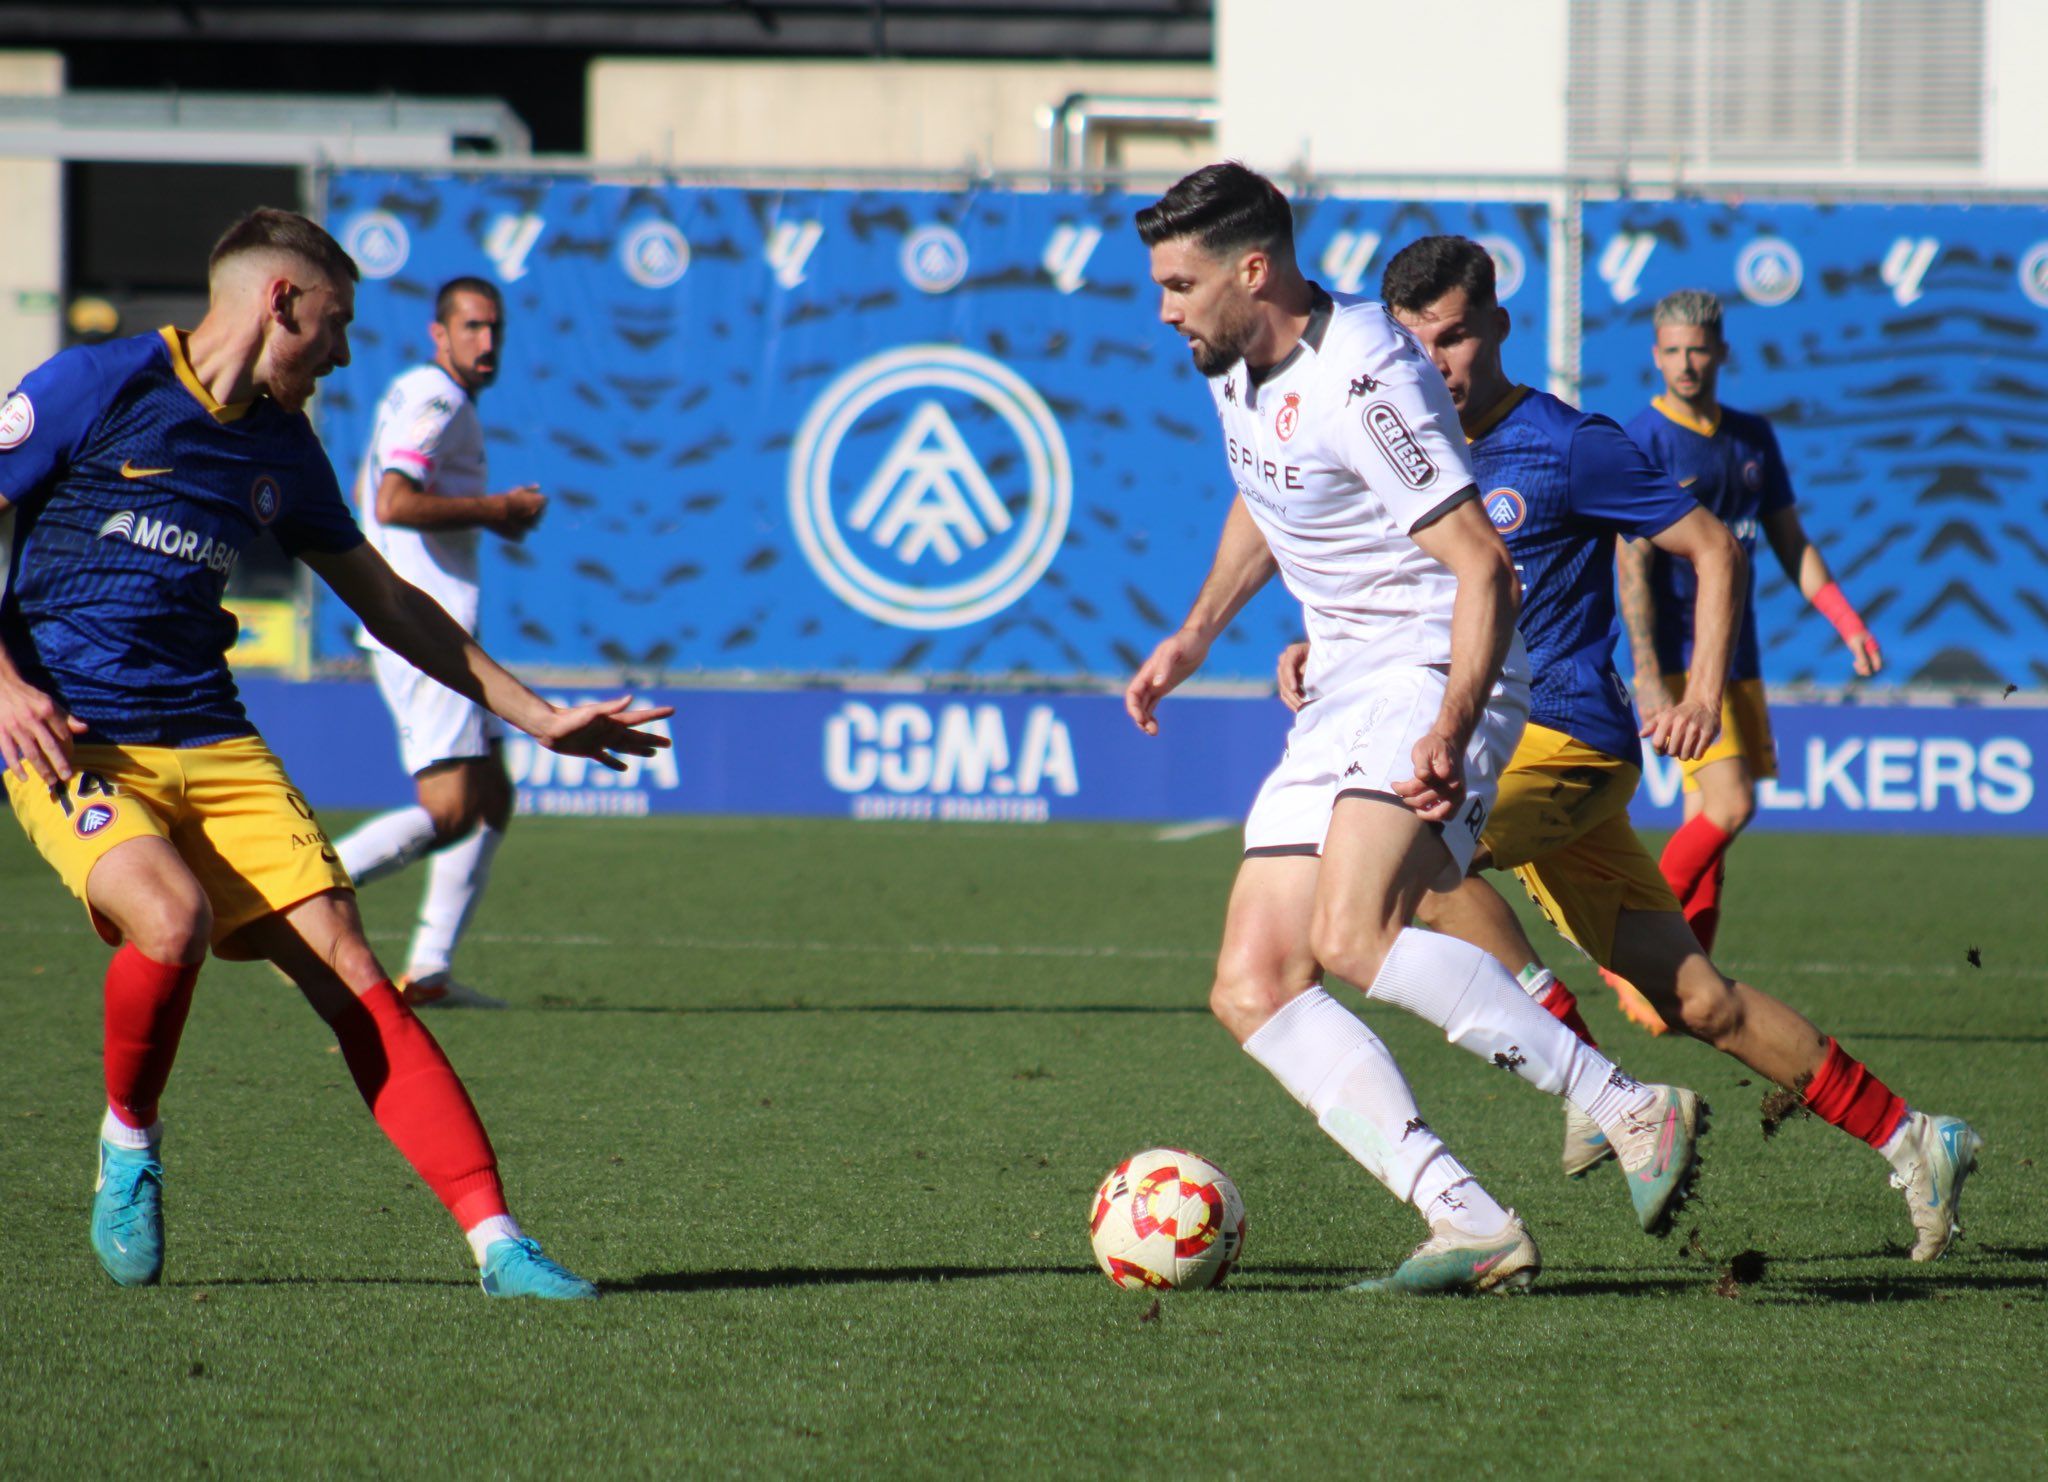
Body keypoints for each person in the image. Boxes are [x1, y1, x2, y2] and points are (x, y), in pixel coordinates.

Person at [0, 208, 672, 1298]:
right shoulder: (95, 384)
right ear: (281, 303)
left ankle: (498, 1243)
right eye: (338, 323)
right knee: (169, 919)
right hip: (74, 742)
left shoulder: (281, 444)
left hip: (214, 740)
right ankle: (129, 1142)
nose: (348, 350)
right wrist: (6, 686)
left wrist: (538, 716)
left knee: (360, 974)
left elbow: (392, 602)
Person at [1279, 234, 1975, 1261]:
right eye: (1418, 342)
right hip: (1504, 750)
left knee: (1407, 861)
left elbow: (1710, 548)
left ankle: (1594, 1087)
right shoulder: (1403, 449)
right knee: (1692, 998)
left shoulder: (1566, 444)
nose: (1439, 362)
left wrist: (1696, 693)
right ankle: (1911, 1135)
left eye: (1458, 335)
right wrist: (1309, 645)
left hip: (1563, 732)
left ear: (1498, 326)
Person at [1123, 164, 1703, 1297]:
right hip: (1344, 685)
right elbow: (1266, 490)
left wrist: (1448, 723)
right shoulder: (1233, 361)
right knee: (1250, 982)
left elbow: (1482, 566)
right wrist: (1194, 636)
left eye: (1178, 283)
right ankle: (1464, 1218)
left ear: (1254, 270)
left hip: (1438, 663)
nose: (1164, 308)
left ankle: (1624, 1105)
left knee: (1352, 932)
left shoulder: (1364, 381)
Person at [1610, 289, 1883, 1022]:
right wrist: (1648, 679)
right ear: (1655, 355)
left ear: (1721, 352)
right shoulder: (1646, 441)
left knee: (1712, 832)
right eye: (1671, 350)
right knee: (1732, 806)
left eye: (1698, 349)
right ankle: (1620, 951)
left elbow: (1792, 543)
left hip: (1739, 656)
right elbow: (1630, 563)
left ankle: (1679, 993)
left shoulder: (1752, 438)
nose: (1686, 362)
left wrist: (1847, 622)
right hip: (1678, 660)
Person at [331, 276, 546, 1009]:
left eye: (495, 330)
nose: (487, 343)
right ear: (440, 332)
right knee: (452, 805)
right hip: (422, 625)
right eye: (473, 328)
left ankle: (427, 974)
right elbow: (393, 500)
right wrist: (498, 507)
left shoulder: (431, 394)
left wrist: (488, 515)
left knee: (491, 796)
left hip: (439, 619)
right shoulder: (438, 398)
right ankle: (293, 892)